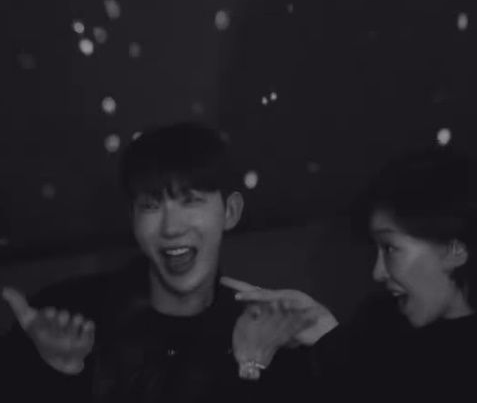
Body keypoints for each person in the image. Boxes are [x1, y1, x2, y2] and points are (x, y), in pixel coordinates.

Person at [1, 121, 320, 402]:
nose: (171, 228)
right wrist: (55, 372)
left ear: (230, 212)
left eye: (191, 201)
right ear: (133, 218)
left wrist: (252, 368)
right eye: (151, 206)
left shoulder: (267, 332)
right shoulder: (70, 312)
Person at [229, 147, 477, 402]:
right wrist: (322, 335)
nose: (378, 272)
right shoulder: (377, 323)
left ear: (455, 251)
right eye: (376, 248)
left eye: (391, 248)